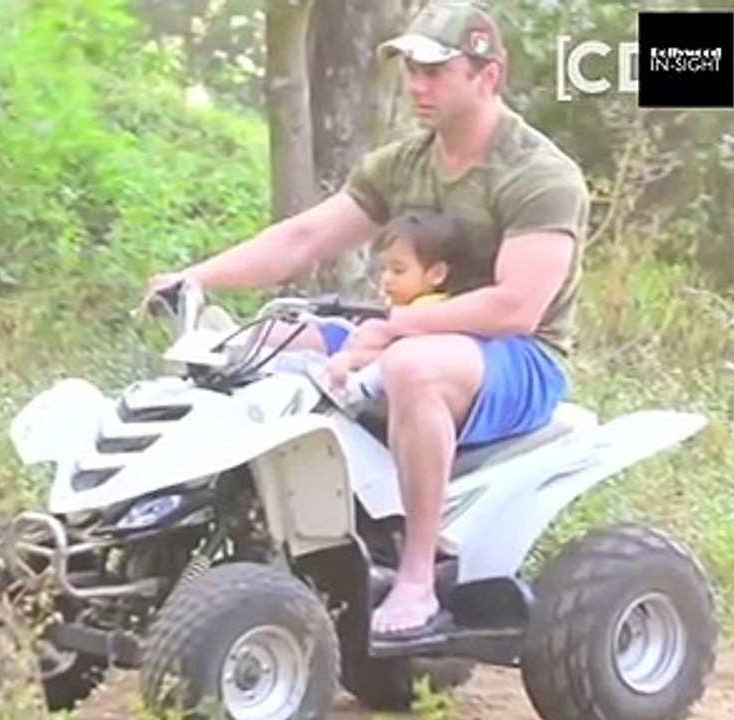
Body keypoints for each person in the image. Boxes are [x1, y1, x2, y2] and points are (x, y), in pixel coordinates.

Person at [146, 1, 589, 642]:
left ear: (487, 75)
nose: (417, 85)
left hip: (517, 357)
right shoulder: (404, 163)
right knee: (260, 342)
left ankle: (418, 577)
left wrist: (396, 329)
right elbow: (304, 238)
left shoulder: (539, 175)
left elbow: (517, 308)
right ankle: (225, 538)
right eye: (411, 68)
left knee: (411, 366)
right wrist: (197, 278)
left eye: (435, 71)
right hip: (411, 331)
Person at [325, 207, 463, 390]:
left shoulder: (431, 311)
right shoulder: (398, 306)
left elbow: (396, 357)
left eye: (398, 270)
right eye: (383, 269)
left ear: (436, 274)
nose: (387, 278)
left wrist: (351, 359)